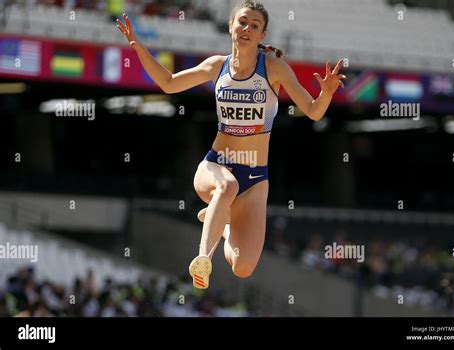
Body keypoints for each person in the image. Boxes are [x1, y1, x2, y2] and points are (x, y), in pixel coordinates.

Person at [116, 0, 346, 289]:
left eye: (255, 25)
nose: (247, 28)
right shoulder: (217, 66)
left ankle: (221, 222)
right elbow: (169, 82)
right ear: (230, 26)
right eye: (243, 22)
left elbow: (313, 111)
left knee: (243, 267)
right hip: (216, 165)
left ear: (262, 35)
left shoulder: (274, 68)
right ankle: (202, 258)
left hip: (255, 178)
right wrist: (138, 47)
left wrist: (325, 94)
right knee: (227, 187)